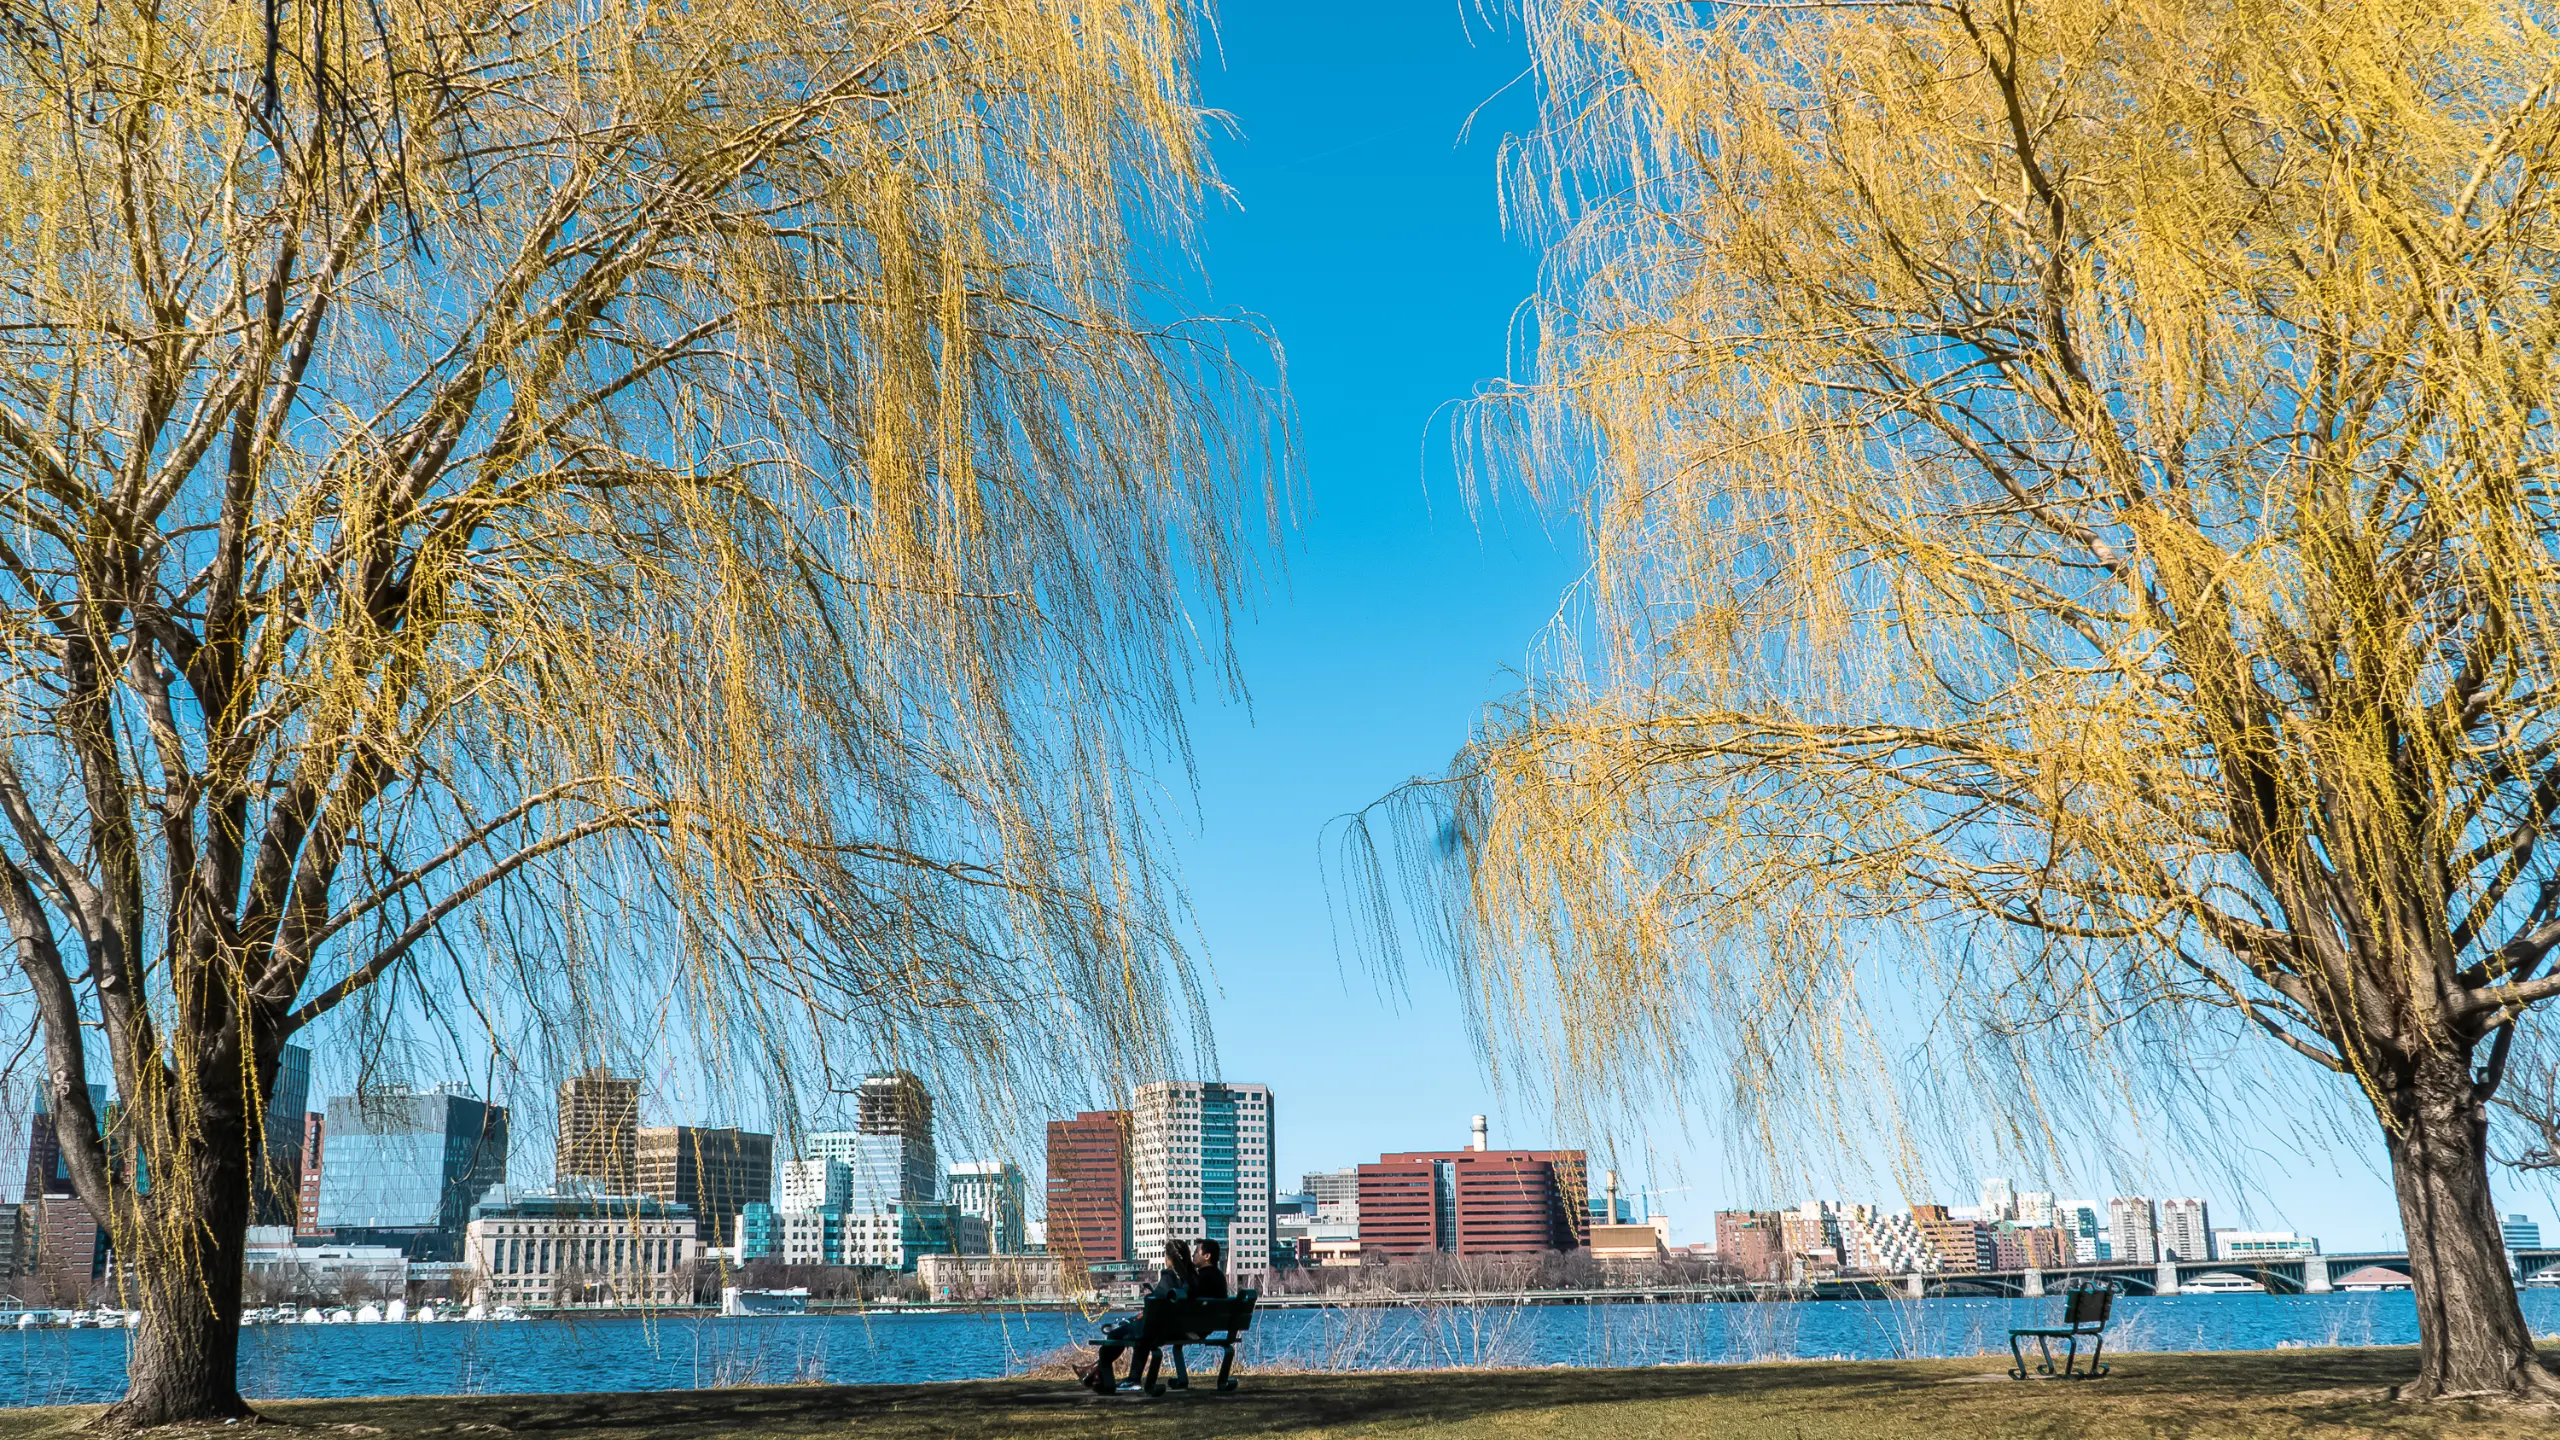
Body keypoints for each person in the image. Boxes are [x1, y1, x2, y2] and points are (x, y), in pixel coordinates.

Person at [1081, 1238, 1225, 1393]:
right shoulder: (1197, 1278)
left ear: (1170, 1259)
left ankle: (1107, 1378)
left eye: (1197, 1252)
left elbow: (1157, 1306)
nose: (1194, 1255)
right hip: (1192, 1328)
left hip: (1169, 1330)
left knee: (1118, 1335)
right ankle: (1099, 1374)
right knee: (1139, 1332)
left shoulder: (1172, 1278)